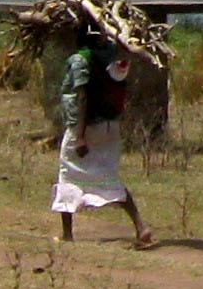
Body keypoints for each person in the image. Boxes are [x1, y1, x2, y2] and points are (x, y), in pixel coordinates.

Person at [51, 33, 156, 249]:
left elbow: (83, 96)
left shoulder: (80, 61)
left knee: (67, 174)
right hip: (110, 127)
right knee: (110, 177)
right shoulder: (110, 55)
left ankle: (67, 234)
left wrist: (79, 136)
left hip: (86, 128)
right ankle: (140, 227)